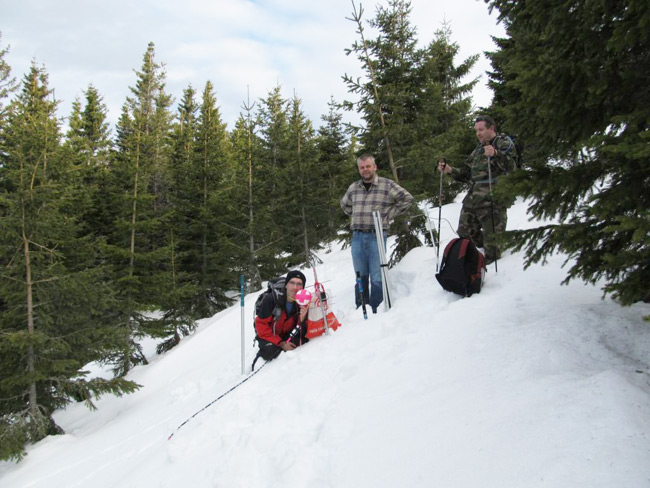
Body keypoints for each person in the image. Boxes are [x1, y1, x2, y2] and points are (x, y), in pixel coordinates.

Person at [438, 115, 517, 264]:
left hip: (493, 197)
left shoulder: (503, 143)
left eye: (481, 130)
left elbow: (512, 168)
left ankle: (495, 253)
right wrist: (449, 170)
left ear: (491, 128)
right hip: (474, 197)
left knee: (492, 248)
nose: (478, 134)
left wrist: (496, 154)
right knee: (464, 231)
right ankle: (480, 252)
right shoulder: (478, 150)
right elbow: (468, 174)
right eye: (476, 131)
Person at [340, 154, 414, 313]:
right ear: (359, 169)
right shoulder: (354, 188)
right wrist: (357, 215)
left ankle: (377, 310)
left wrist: (389, 215)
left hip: (377, 236)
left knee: (376, 275)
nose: (365, 170)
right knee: (360, 275)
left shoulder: (387, 185)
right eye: (362, 167)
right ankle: (361, 310)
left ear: (375, 167)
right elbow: (345, 205)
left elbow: (407, 199)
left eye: (368, 166)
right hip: (358, 236)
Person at [253, 270, 309, 368]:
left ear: (303, 288)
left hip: (285, 332)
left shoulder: (302, 301)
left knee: (302, 340)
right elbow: (261, 326)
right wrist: (282, 343)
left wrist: (301, 319)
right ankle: (257, 363)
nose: (295, 287)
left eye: (299, 284)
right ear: (286, 285)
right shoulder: (270, 300)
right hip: (268, 333)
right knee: (270, 352)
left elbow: (300, 328)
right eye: (292, 283)